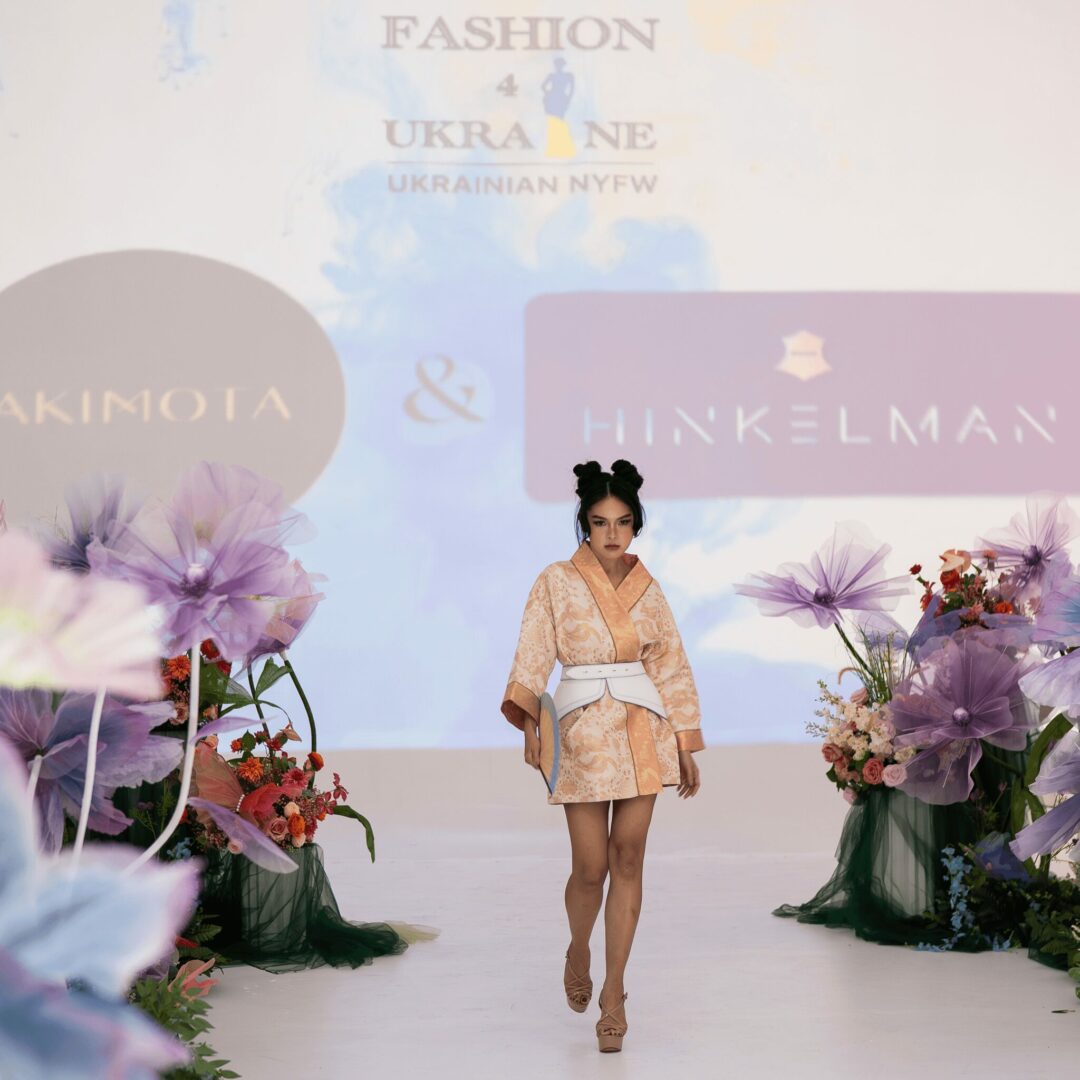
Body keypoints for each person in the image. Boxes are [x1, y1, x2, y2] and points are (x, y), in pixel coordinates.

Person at [500, 459, 704, 1053]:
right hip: (582, 732)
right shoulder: (555, 581)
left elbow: (671, 664)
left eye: (622, 522)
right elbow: (533, 652)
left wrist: (685, 741)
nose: (612, 533)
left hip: (643, 728)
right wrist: (530, 723)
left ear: (636, 524)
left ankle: (614, 993)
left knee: (629, 857)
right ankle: (578, 947)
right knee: (590, 868)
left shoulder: (650, 589)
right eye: (599, 522)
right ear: (583, 524)